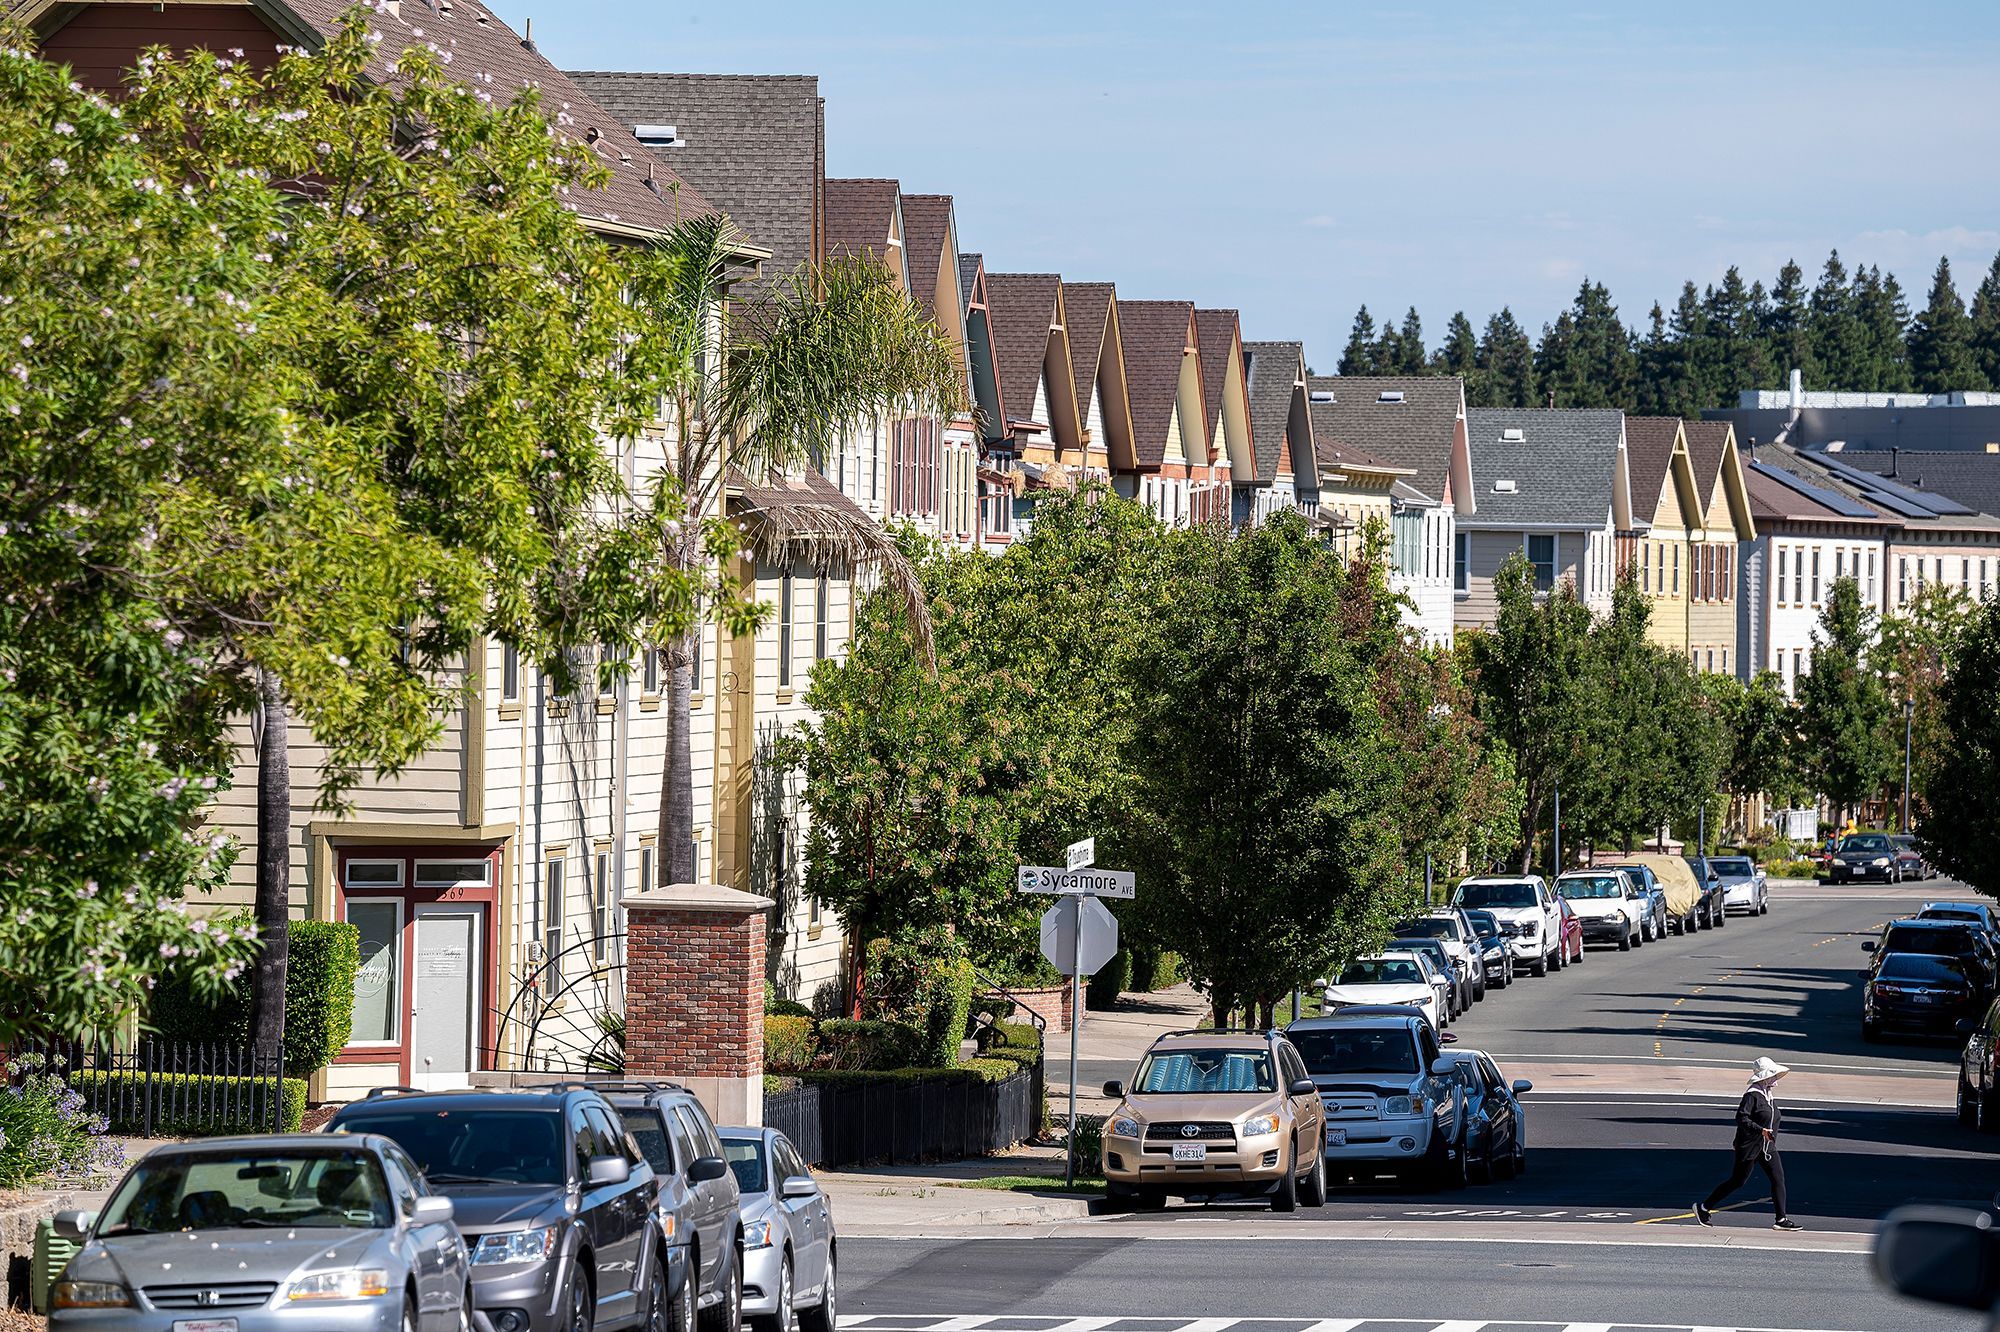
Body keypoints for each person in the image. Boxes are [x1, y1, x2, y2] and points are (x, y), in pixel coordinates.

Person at [1695, 1056, 1802, 1230]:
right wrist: (1760, 1130)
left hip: (1767, 1147)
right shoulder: (1753, 1095)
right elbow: (1741, 1118)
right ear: (1764, 1077)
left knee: (1778, 1179)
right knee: (1738, 1181)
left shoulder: (1768, 1094)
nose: (1775, 1079)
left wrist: (1767, 1134)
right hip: (1750, 1147)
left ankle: (1781, 1219)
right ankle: (1703, 1208)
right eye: (1772, 1075)